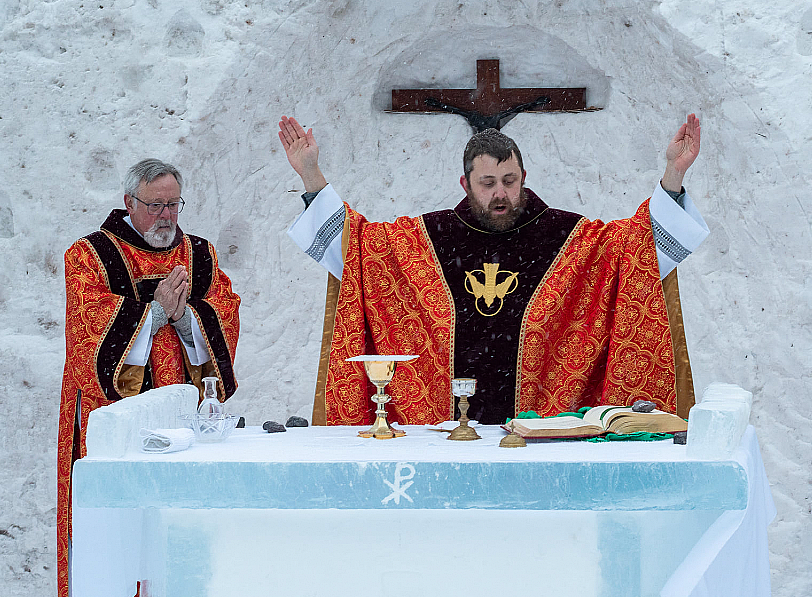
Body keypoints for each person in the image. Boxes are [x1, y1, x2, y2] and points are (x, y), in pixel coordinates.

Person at [280, 114, 708, 428]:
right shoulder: (429, 237)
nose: (500, 193)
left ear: (524, 177)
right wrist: (312, 175)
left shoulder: (567, 236)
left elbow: (638, 251)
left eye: (509, 179)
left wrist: (673, 174)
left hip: (542, 428)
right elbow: (356, 248)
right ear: (465, 185)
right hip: (443, 433)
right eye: (487, 183)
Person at [56, 158, 241, 597]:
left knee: (174, 534)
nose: (167, 216)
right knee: (116, 537)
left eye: (174, 205)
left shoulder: (199, 253)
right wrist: (153, 314)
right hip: (112, 421)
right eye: (156, 205)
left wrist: (185, 319)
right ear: (128, 202)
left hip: (179, 420)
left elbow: (226, 312)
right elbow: (87, 331)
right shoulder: (89, 255)